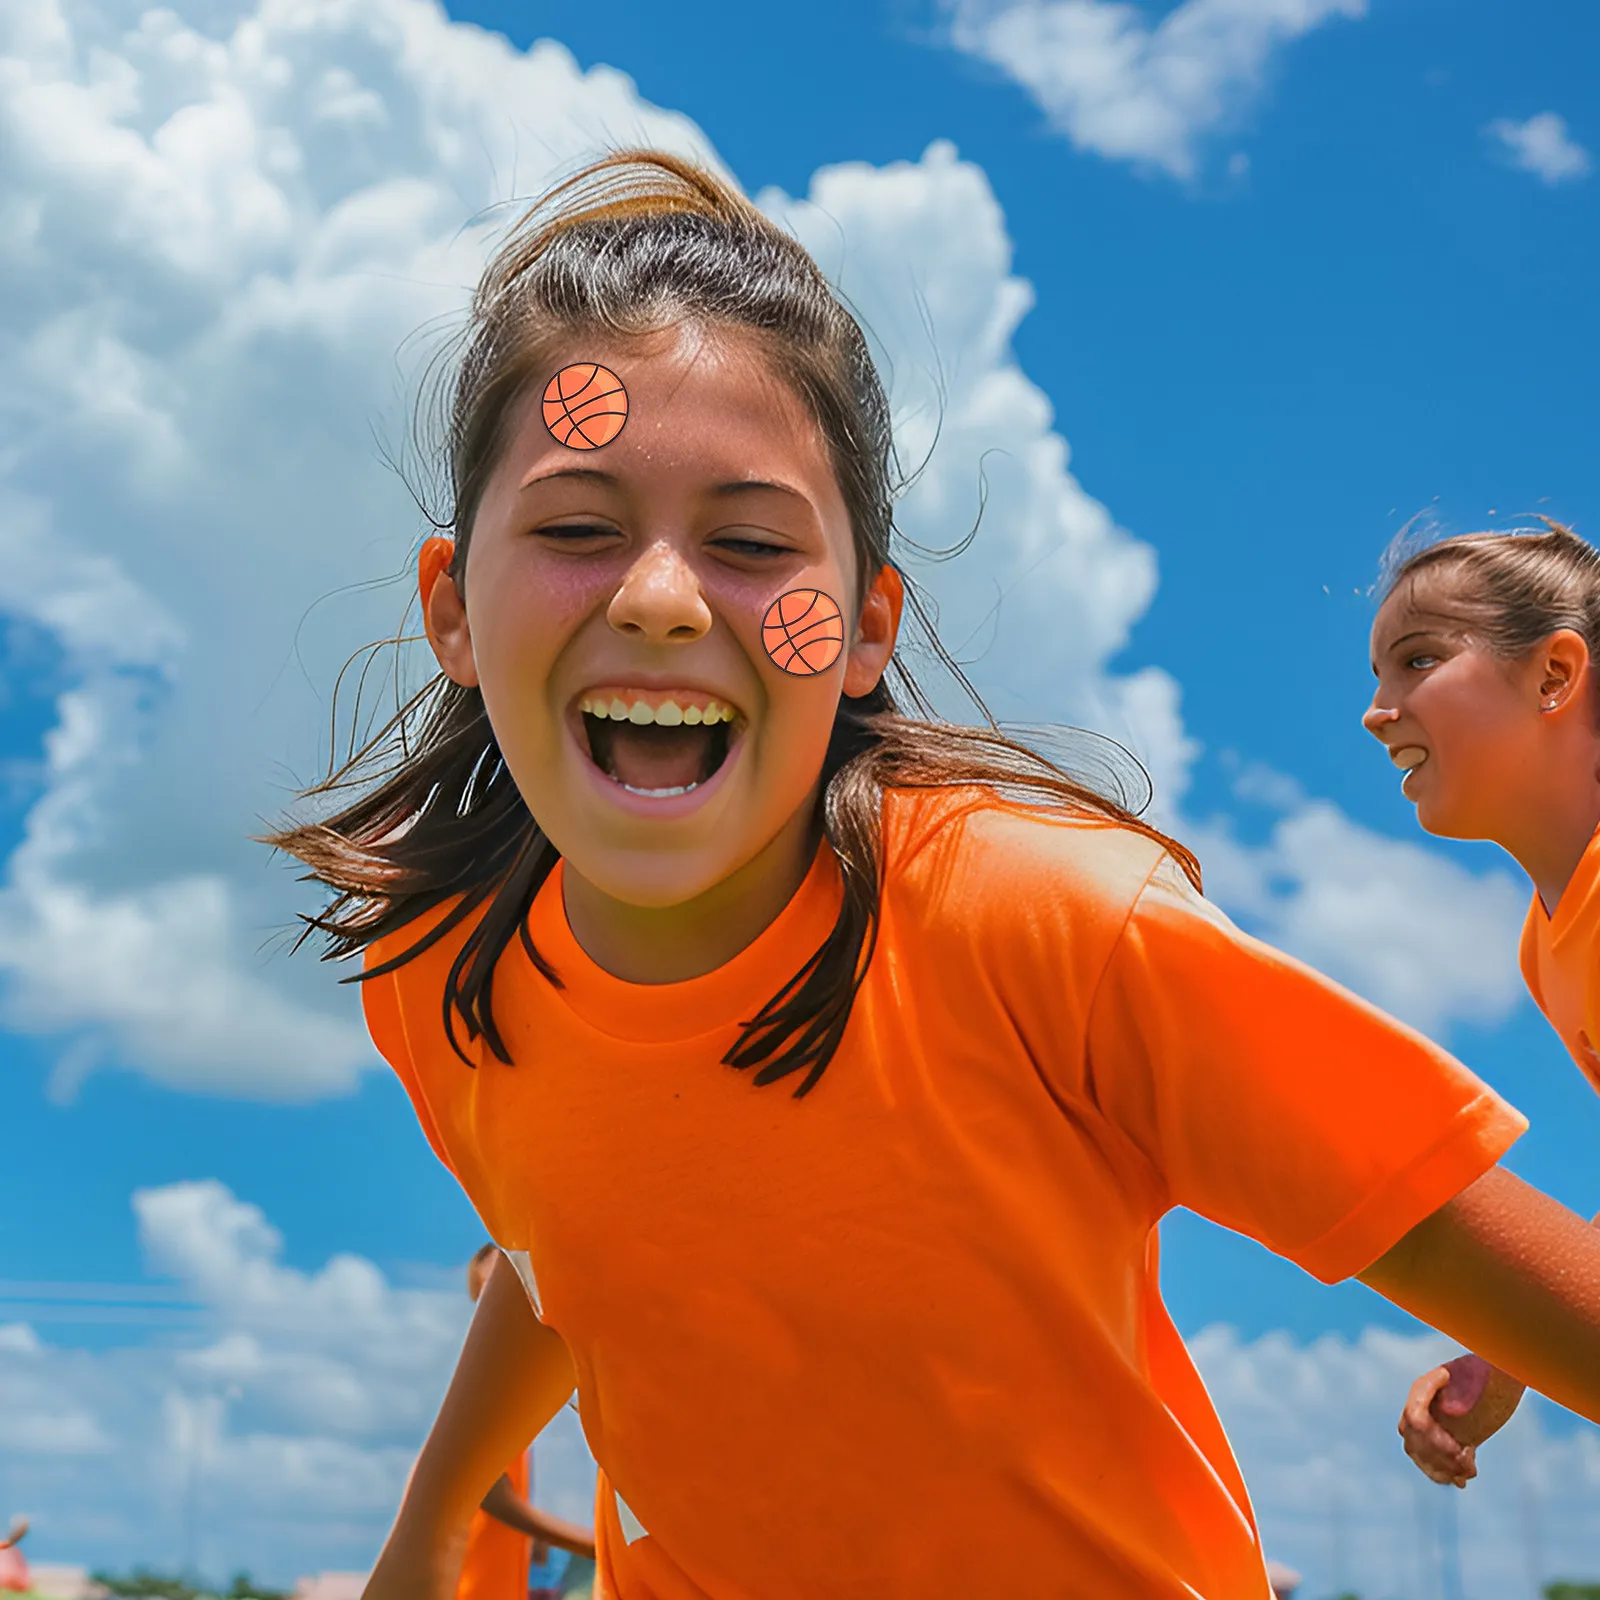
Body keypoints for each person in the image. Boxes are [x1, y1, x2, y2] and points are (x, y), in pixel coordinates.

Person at [270, 151, 1600, 1600]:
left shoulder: (1058, 930)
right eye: (577, 528)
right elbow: (570, 1240)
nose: (656, 599)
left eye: (751, 542)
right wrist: (428, 1528)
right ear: (451, 608)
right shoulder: (443, 981)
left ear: (860, 628)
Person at [1364, 518, 1600, 1489]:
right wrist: (1520, 1344)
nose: (1377, 713)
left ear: (1552, 675)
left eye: (1416, 660)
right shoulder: (1544, 946)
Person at [455, 1246, 595, 1600]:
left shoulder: (573, 1371)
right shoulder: (491, 1386)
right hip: (505, 1583)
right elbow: (490, 1494)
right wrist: (593, 1546)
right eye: (491, 1293)